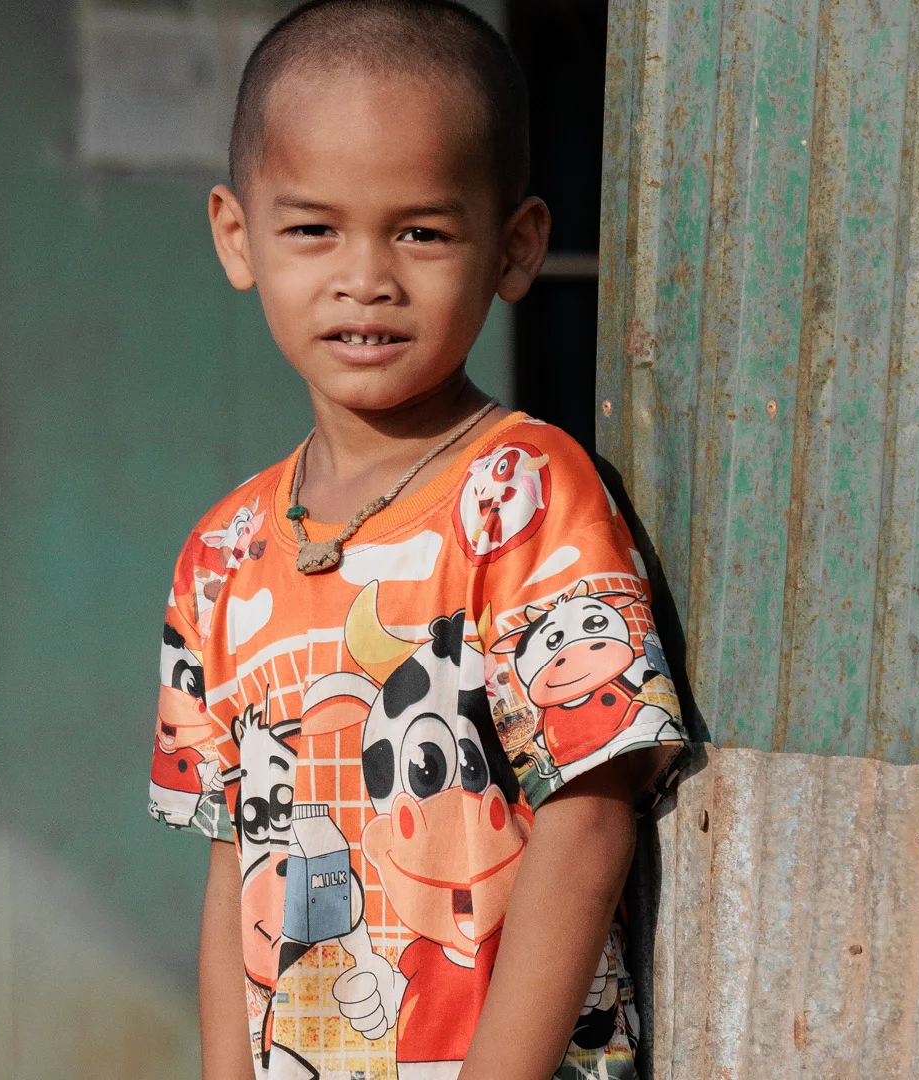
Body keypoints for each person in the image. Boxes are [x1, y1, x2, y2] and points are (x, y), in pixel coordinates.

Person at [145, 3, 692, 1078]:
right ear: (236, 235)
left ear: (516, 246)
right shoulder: (221, 555)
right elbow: (232, 866)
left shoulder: (525, 497)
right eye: (313, 228)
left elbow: (589, 820)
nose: (367, 278)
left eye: (422, 231)